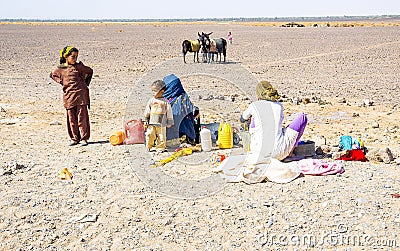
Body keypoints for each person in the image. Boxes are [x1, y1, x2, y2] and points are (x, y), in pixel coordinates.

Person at [240, 80, 308, 164]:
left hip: (257, 153)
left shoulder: (254, 105)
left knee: (255, 117)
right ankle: (291, 151)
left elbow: (242, 119)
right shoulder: (279, 106)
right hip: (279, 153)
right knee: (302, 117)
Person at [50, 46, 93, 146]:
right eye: (73, 56)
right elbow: (53, 75)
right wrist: (62, 82)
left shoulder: (79, 67)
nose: (75, 59)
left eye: (76, 56)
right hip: (69, 97)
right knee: (71, 119)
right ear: (66, 57)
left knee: (82, 118)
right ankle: (74, 138)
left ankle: (84, 138)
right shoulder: (61, 68)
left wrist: (85, 83)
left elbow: (89, 71)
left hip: (81, 96)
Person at [144, 80, 174, 153]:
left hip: (161, 123)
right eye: (152, 91)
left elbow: (169, 112)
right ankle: (149, 146)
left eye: (155, 91)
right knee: (150, 134)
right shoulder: (151, 101)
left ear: (162, 91)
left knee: (161, 136)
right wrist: (146, 119)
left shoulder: (165, 102)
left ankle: (160, 147)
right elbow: (148, 110)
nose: (153, 93)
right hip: (152, 122)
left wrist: (170, 121)